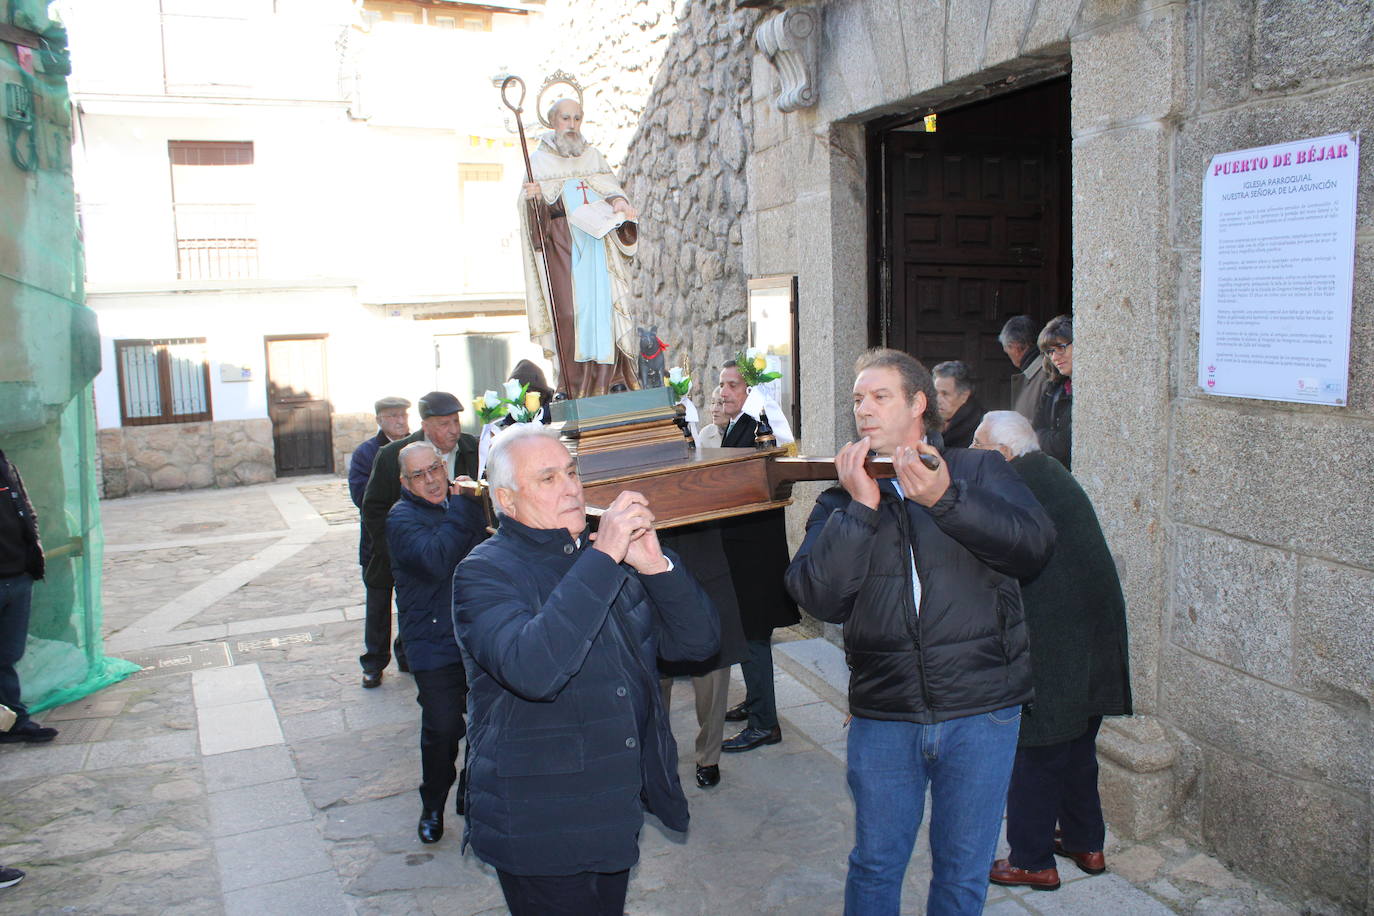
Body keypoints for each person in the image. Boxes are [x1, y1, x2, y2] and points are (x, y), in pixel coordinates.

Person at [785, 348, 1055, 916]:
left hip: (981, 710)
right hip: (886, 714)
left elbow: (1033, 548)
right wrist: (860, 508)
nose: (864, 410)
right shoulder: (838, 498)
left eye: (880, 396)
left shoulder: (979, 470)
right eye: (858, 399)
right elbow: (817, 596)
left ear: (918, 404)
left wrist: (945, 499)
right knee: (876, 866)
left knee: (961, 874)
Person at [452, 425, 718, 915]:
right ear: (507, 500)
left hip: (610, 808)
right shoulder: (483, 571)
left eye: (572, 472)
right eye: (548, 478)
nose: (572, 487)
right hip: (539, 820)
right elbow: (534, 670)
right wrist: (602, 558)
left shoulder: (606, 557)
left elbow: (699, 644)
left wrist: (657, 567)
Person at [972, 411, 1132, 891]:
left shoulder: (1015, 486)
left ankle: (1031, 859)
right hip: (1093, 637)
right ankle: (1087, 842)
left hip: (1055, 641)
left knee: (1037, 749)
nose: (973, 454)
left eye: (979, 446)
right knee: (1079, 743)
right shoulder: (1050, 472)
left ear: (1002, 454)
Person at [386, 442, 488, 844]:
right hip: (432, 641)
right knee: (443, 729)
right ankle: (433, 803)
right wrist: (465, 507)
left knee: (486, 721)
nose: (431, 480)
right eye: (419, 475)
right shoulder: (401, 518)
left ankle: (471, 785)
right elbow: (436, 558)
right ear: (404, 482)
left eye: (435, 469)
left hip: (474, 634)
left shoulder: (462, 503)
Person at [520, 97, 640, 398]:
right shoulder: (537, 162)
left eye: (576, 118)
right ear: (552, 121)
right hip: (562, 244)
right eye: (565, 118)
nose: (571, 125)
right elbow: (534, 223)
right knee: (570, 314)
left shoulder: (593, 157)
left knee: (605, 310)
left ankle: (610, 379)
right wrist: (534, 199)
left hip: (598, 244)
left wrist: (620, 201)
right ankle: (574, 386)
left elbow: (611, 189)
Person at [361, 392, 478, 687]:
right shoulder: (393, 455)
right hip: (406, 546)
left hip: (455, 549)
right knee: (383, 601)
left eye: (455, 421)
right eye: (443, 423)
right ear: (426, 426)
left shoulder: (472, 448)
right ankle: (374, 662)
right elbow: (373, 507)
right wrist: (396, 549)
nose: (453, 430)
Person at [717, 361, 799, 753]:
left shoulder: (760, 426)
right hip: (740, 547)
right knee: (745, 632)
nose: (724, 392)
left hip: (756, 551)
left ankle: (765, 722)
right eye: (721, 385)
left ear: (750, 390)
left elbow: (768, 478)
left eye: (733, 385)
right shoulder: (736, 425)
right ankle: (755, 701)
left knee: (753, 636)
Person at [657, 522, 748, 789]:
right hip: (647, 560)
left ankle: (708, 758)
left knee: (713, 678)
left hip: (703, 560)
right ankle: (657, 757)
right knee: (652, 682)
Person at [349, 396, 412, 687]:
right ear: (379, 420)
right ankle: (374, 662)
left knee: (411, 600)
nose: (400, 421)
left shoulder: (415, 448)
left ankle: (407, 652)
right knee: (378, 604)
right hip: (377, 541)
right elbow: (363, 497)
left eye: (403, 415)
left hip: (410, 538)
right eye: (393, 416)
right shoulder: (366, 453)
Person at [0, 449, 57, 745]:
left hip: (18, 577)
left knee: (8, 655)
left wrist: (32, 550)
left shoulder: (6, 463)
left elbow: (25, 508)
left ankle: (12, 721)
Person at [1034, 314, 1074, 469]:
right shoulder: (1053, 389)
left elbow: (1068, 443)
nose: (1055, 357)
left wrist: (1049, 439)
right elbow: (1034, 434)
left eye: (1061, 348)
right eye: (1050, 351)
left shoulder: (1091, 392)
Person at [999, 315, 1051, 420]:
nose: (1007, 354)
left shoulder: (1046, 374)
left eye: (1007, 348)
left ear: (1016, 346)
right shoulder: (1036, 373)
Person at [931, 360, 984, 450]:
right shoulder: (926, 421)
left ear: (964, 396)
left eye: (945, 394)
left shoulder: (981, 427)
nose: (937, 400)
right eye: (935, 393)